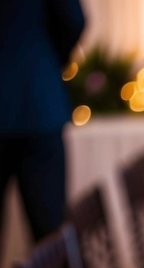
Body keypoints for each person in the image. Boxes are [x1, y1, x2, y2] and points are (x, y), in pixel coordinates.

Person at [0, 1, 86, 243]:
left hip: (37, 103)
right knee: (49, 237)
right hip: (37, 100)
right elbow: (73, 20)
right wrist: (44, 59)